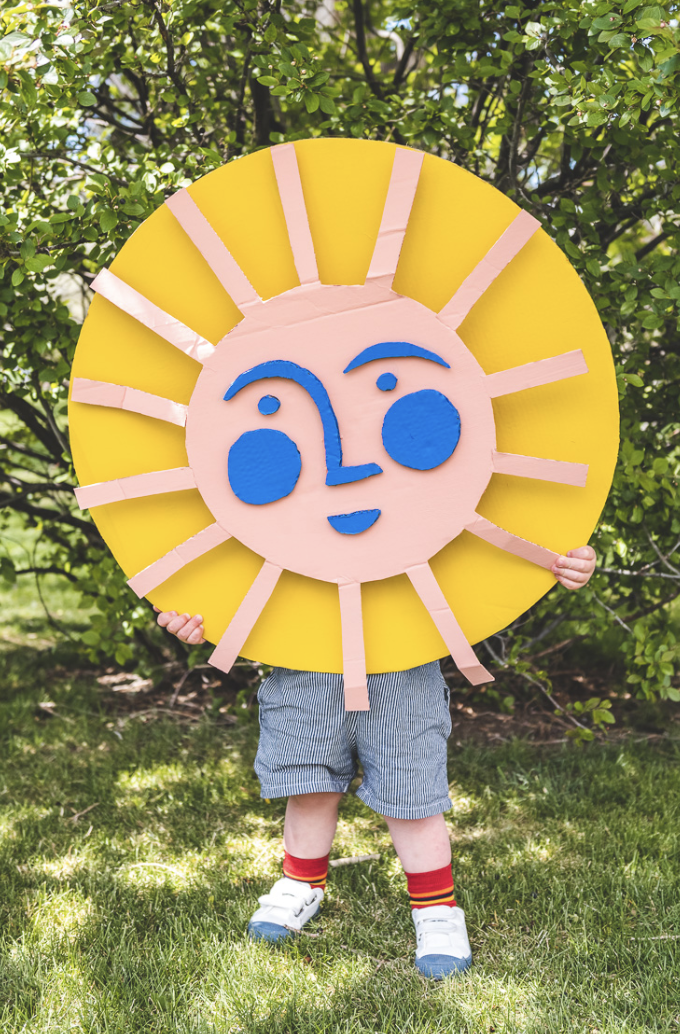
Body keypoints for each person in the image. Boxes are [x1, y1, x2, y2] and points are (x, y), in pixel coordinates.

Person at [155, 545, 596, 979]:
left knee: (412, 794)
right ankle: (300, 884)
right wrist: (198, 613)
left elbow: (478, 530)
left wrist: (557, 560)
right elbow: (233, 541)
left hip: (403, 660)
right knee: (307, 782)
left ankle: (436, 908)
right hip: (303, 656)